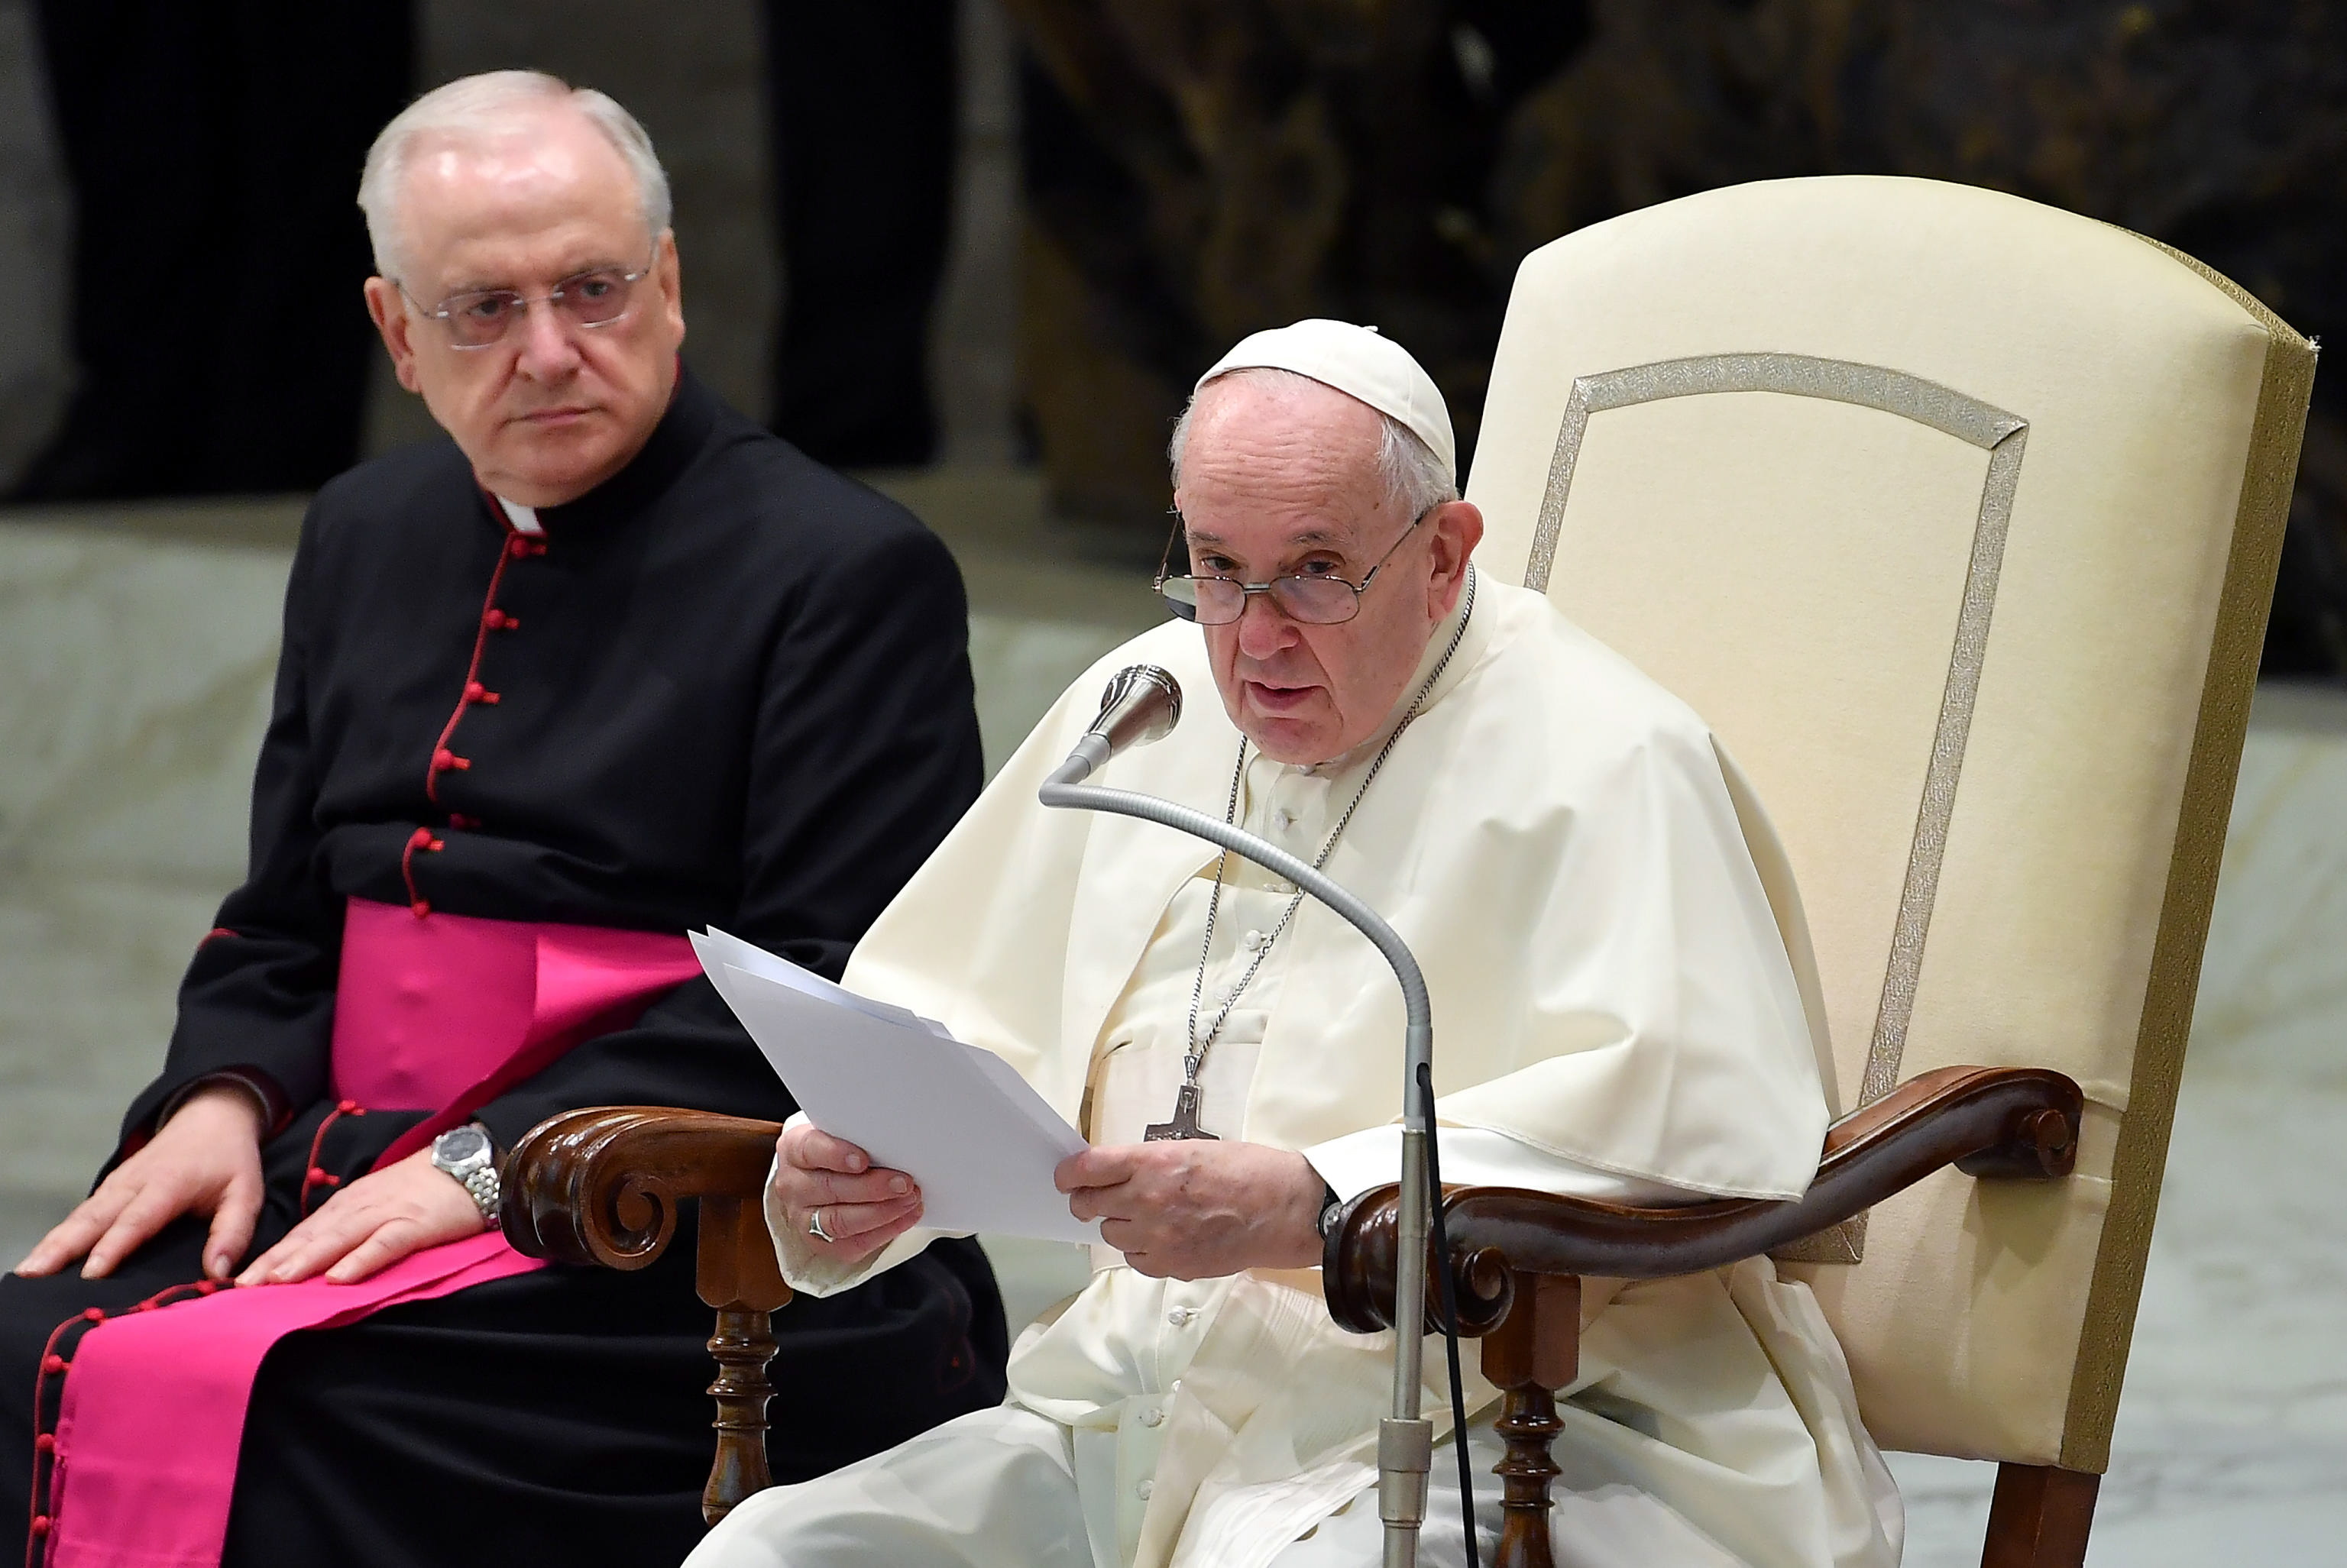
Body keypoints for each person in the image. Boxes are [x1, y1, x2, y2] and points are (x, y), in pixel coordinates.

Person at [691, 320, 1903, 1567]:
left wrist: (1321, 1206)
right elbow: (940, 1034)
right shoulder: (1149, 709)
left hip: (1523, 1419)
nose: (1255, 638)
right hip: (1138, 1404)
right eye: (1217, 567)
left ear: (1444, 554)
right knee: (772, 1555)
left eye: (1316, 570)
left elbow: (1693, 1121)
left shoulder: (1606, 756)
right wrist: (846, 1179)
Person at [0, 71, 1007, 1566]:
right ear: (397, 333)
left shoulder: (847, 572)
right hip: (348, 1158)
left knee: (298, 1400)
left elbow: (835, 985)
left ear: (668, 286)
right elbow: (285, 913)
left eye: (593, 289)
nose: (551, 352)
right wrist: (221, 1092)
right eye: (483, 308)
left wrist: (493, 1159)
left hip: (669, 1214)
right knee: (27, 1349)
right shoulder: (361, 532)